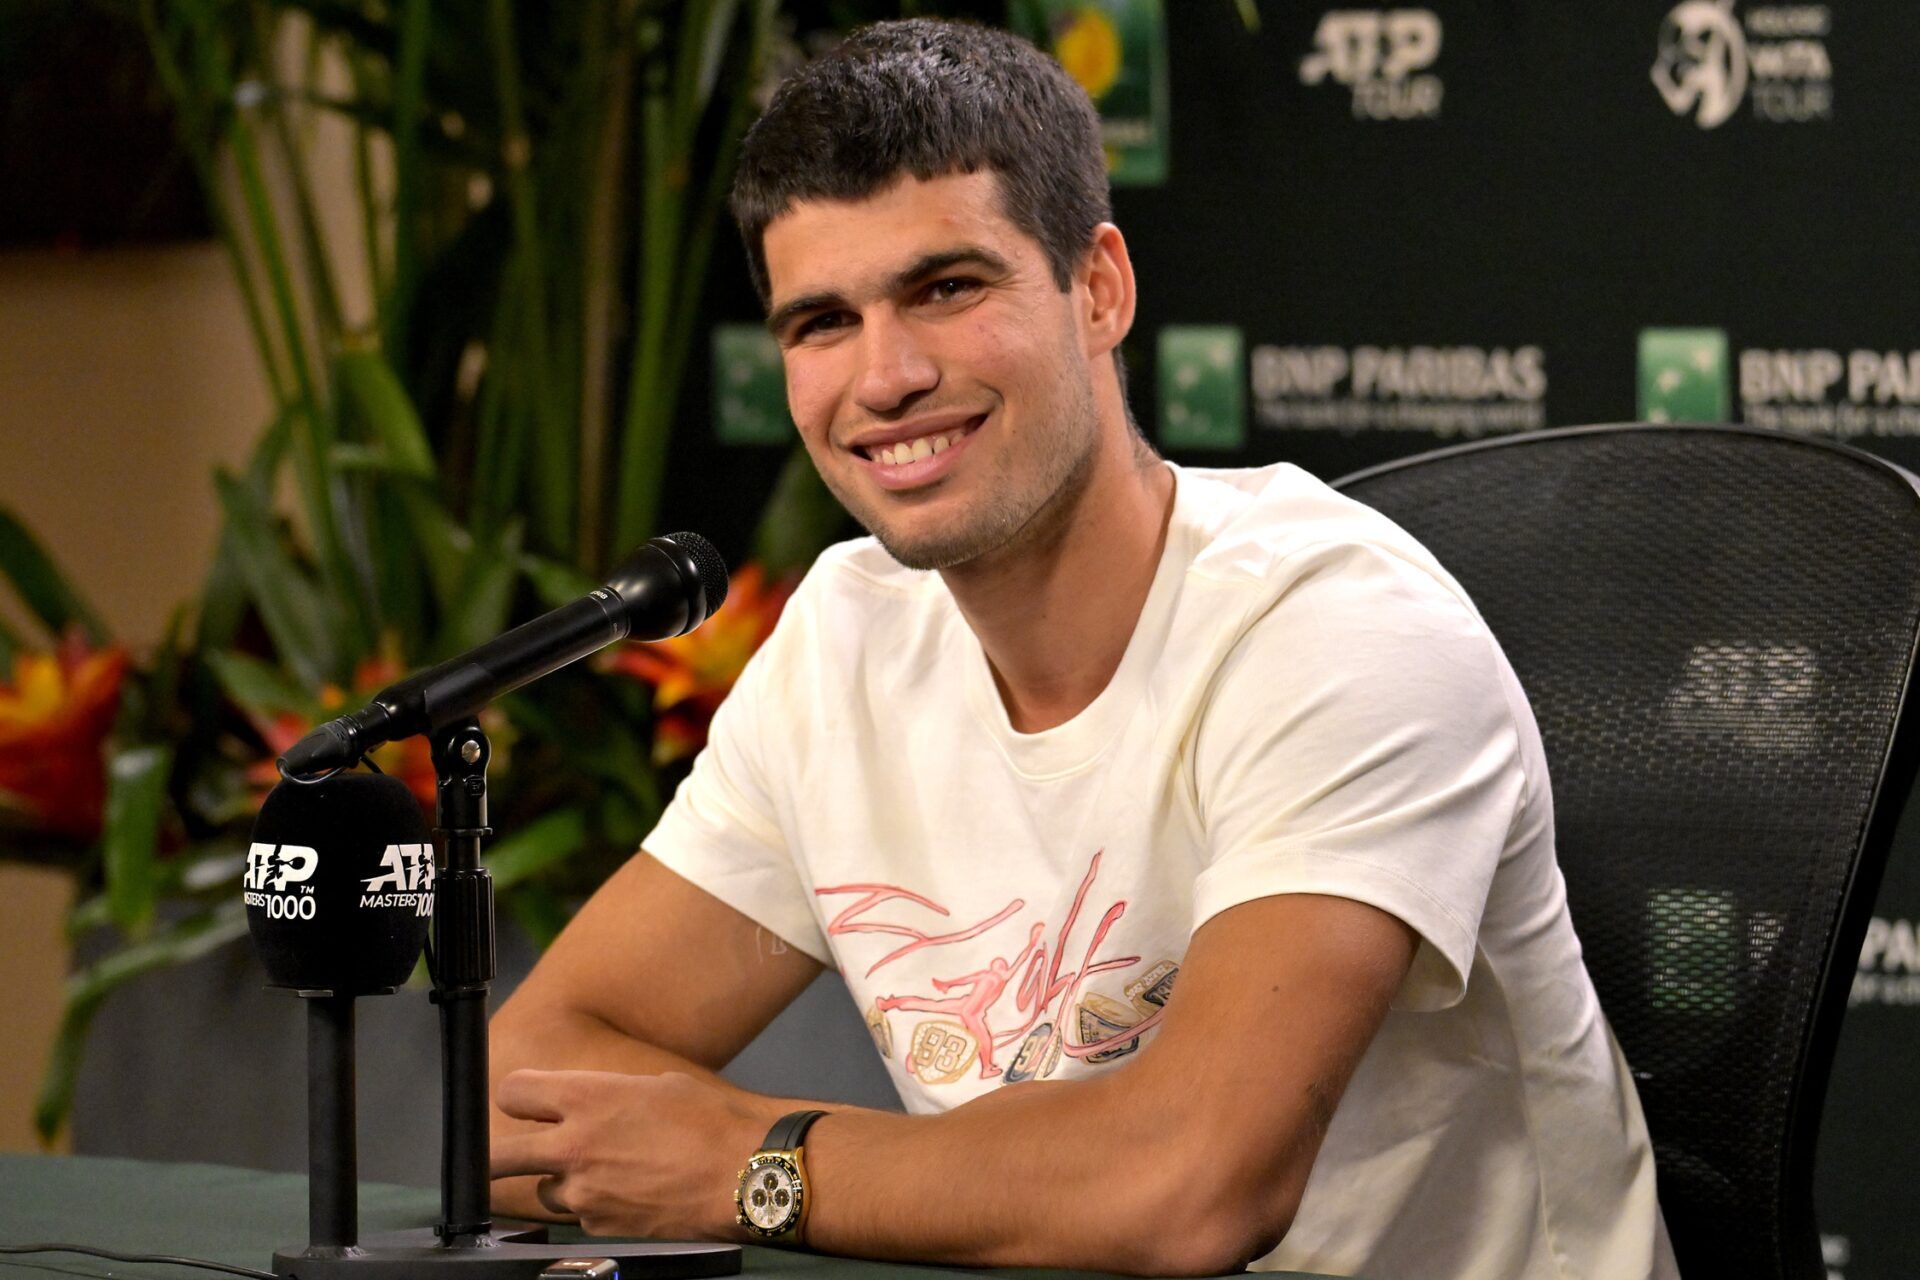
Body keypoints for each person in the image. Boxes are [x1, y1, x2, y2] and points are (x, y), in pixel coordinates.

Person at [488, 19, 1677, 1279]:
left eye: (947, 289)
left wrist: (751, 1160)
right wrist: (968, 1173)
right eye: (822, 321)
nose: (884, 377)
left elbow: (1193, 1185)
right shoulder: (842, 639)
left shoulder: (1335, 624)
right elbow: (517, 1093)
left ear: (1099, 288)